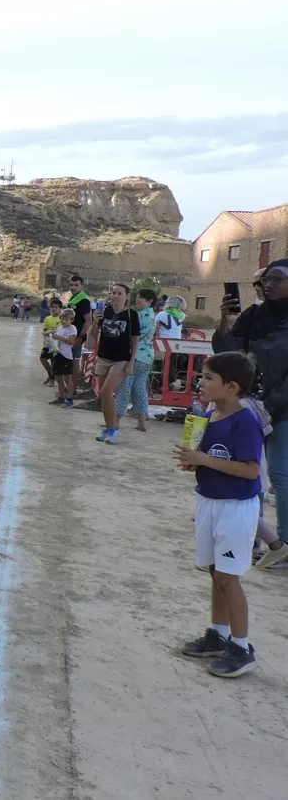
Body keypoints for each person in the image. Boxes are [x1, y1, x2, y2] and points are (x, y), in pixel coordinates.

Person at [176, 352, 263, 678]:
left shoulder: (244, 421)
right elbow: (211, 458)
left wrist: (205, 460)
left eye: (208, 377)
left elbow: (250, 470)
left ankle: (242, 647)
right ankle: (219, 633)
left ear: (231, 387)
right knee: (216, 572)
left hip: (235, 507)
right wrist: (194, 462)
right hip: (210, 501)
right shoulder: (210, 415)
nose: (201, 382)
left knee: (228, 577)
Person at [214, 258, 288, 562]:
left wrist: (269, 406)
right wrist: (225, 321)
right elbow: (228, 354)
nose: (267, 285)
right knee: (247, 473)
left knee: (280, 476)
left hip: (282, 410)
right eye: (264, 280)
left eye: (275, 279)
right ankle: (251, 538)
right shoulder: (255, 315)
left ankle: (284, 543)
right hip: (251, 407)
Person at [87, 282, 140, 444]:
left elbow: (135, 341)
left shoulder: (131, 314)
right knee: (103, 394)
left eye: (119, 293)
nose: (115, 296)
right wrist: (95, 321)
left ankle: (114, 428)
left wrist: (131, 362)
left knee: (107, 390)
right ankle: (108, 427)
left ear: (127, 296)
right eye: (113, 292)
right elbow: (92, 335)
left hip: (121, 359)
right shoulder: (106, 311)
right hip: (103, 357)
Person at [115, 288, 156, 431]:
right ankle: (141, 423)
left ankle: (115, 421)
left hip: (135, 357)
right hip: (147, 357)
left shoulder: (139, 315)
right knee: (139, 389)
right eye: (137, 296)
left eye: (141, 298)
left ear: (149, 301)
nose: (137, 299)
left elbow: (132, 335)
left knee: (124, 388)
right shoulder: (152, 315)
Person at [53, 308, 79, 408]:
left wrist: (58, 337)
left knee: (67, 378)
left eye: (66, 319)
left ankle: (69, 399)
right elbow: (56, 340)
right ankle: (61, 396)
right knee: (58, 377)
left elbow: (71, 342)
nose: (64, 321)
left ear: (71, 320)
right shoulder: (59, 328)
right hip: (58, 354)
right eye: (62, 319)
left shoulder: (72, 328)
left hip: (66, 356)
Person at [40, 298, 62, 385]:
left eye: (56, 307)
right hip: (47, 343)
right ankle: (50, 375)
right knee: (42, 358)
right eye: (52, 307)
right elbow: (44, 330)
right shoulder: (47, 319)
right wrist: (45, 333)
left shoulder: (62, 319)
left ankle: (52, 379)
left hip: (56, 344)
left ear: (60, 308)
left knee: (53, 360)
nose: (54, 309)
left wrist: (55, 333)